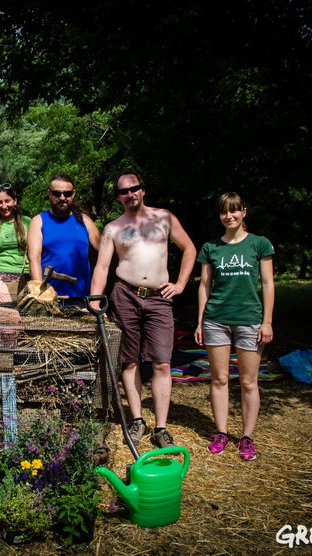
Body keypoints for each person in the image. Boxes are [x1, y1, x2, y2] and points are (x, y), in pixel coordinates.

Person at [90, 170, 196, 448]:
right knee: (130, 360)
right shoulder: (113, 228)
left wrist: (181, 284)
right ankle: (137, 420)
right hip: (125, 295)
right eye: (124, 191)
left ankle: (161, 427)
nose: (130, 194)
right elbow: (103, 266)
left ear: (143, 190)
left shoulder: (164, 217)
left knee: (162, 361)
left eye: (134, 188)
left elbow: (189, 249)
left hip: (160, 297)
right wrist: (94, 297)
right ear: (118, 197)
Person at [194, 192, 274, 461]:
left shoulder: (260, 244)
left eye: (234, 211)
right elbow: (204, 286)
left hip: (250, 320)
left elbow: (267, 285)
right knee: (219, 379)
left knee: (249, 382)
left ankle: (247, 437)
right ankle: (221, 433)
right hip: (216, 320)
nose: (229, 216)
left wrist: (267, 321)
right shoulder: (210, 248)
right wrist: (200, 321)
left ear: (244, 211)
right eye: (224, 212)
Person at [26, 173, 100, 301]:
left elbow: (104, 253)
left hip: (82, 296)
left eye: (67, 194)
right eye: (57, 193)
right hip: (50, 297)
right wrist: (40, 294)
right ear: (49, 194)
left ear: (73, 194)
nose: (62, 197)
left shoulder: (85, 221)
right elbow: (34, 258)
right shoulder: (38, 221)